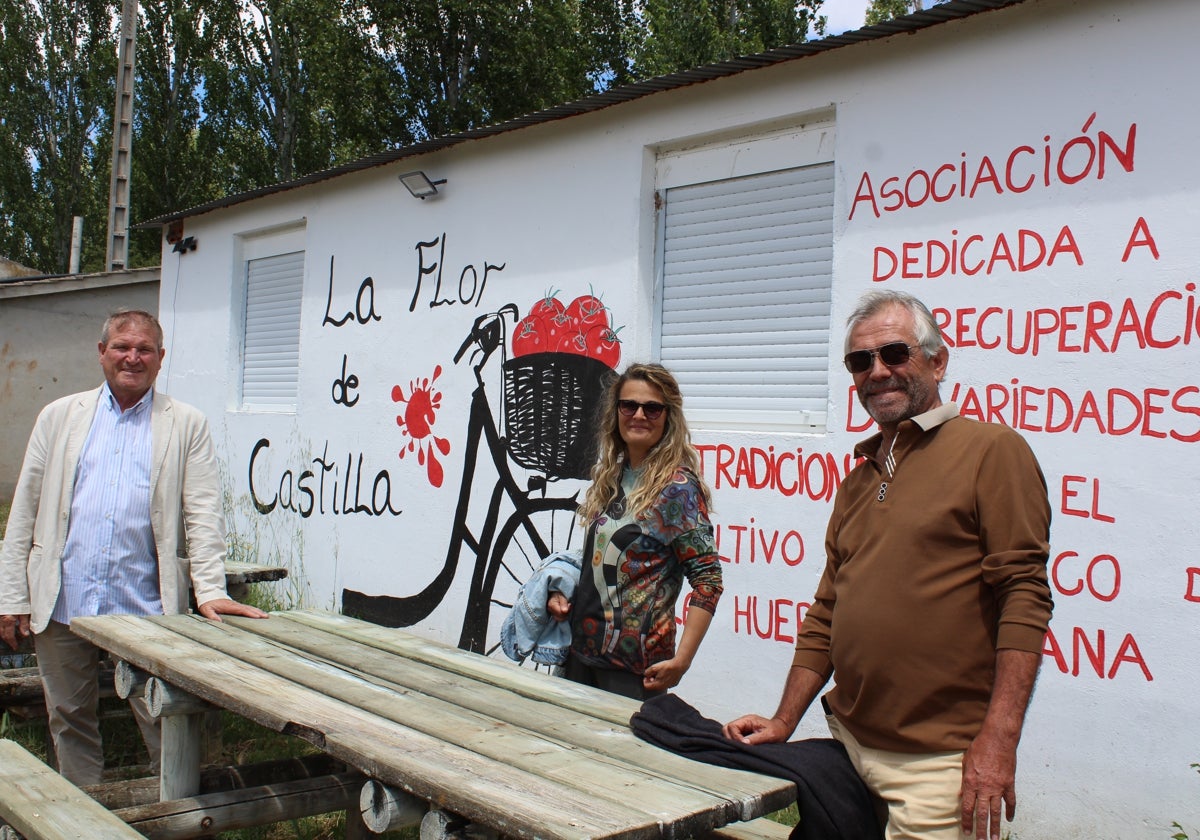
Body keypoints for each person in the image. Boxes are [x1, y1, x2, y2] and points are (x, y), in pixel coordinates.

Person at [723, 291, 1053, 840]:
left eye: (895, 354)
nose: (878, 372)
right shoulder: (858, 478)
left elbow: (1024, 596)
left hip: (938, 765)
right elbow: (828, 611)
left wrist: (999, 740)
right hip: (849, 750)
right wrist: (785, 719)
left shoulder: (992, 451)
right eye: (861, 361)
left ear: (938, 361)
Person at [0, 309, 267, 785]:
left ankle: (176, 816)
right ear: (102, 353)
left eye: (144, 349)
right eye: (122, 346)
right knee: (69, 717)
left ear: (160, 358)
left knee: (165, 720)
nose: (132, 357)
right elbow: (24, 512)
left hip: (143, 605)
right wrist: (12, 597)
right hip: (63, 600)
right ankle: (84, 818)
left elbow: (202, 514)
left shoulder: (185, 423)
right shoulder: (59, 416)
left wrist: (208, 590)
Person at [545, 362, 723, 700]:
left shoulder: (677, 489)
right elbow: (596, 560)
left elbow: (708, 581)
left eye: (652, 408)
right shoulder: (611, 476)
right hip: (581, 656)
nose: (639, 415)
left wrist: (682, 662)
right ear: (616, 413)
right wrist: (564, 592)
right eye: (629, 405)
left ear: (668, 417)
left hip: (634, 672)